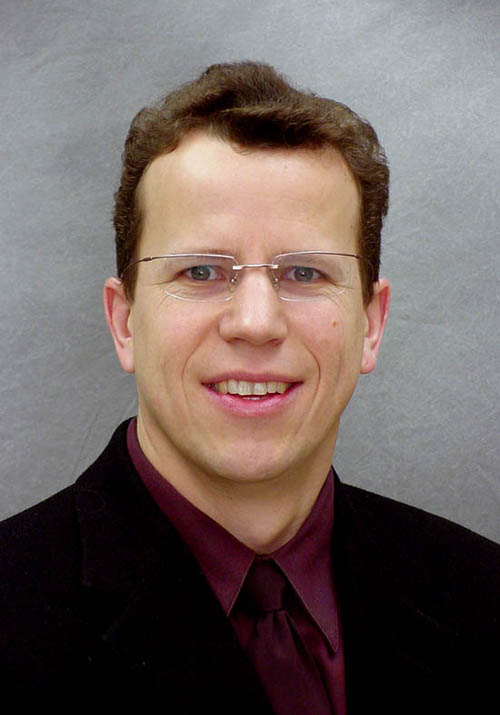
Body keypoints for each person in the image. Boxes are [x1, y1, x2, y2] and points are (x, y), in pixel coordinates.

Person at [1, 61, 498, 714]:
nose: (257, 323)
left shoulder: (484, 596)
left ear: (371, 324)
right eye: (202, 271)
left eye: (305, 273)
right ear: (124, 323)